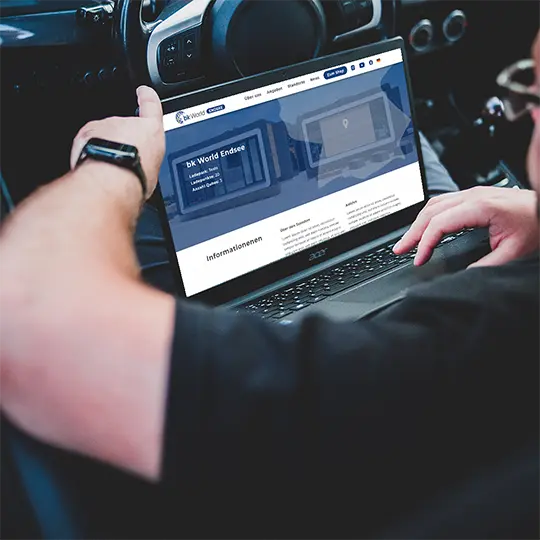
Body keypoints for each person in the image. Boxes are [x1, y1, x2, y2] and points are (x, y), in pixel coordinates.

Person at [0, 34, 539, 538]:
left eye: (535, 89)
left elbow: (25, 320)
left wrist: (115, 166)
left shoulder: (471, 343)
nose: (528, 110)